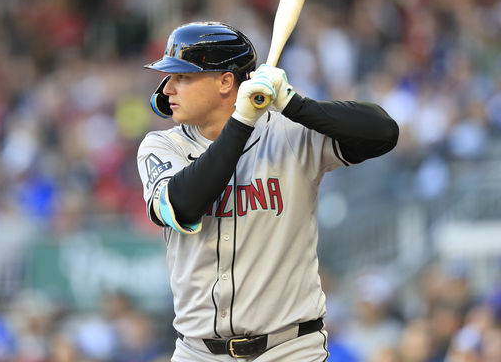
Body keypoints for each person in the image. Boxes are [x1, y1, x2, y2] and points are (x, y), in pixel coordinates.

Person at [136, 22, 399, 361]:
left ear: (225, 81)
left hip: (289, 348)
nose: (168, 88)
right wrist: (242, 119)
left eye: (183, 77)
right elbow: (184, 205)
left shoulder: (288, 132)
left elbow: (383, 132)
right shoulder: (161, 145)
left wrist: (294, 104)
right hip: (198, 351)